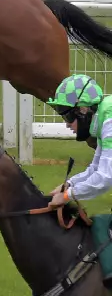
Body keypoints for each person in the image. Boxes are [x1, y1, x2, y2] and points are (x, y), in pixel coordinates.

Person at [45, 74, 112, 208]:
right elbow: (95, 168)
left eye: (68, 117)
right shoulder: (103, 118)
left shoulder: (109, 122)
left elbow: (105, 178)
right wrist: (69, 184)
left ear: (83, 110)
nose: (67, 125)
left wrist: (66, 196)